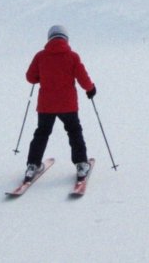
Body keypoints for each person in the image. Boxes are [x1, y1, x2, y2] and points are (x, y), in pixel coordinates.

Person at [24, 25, 96, 183]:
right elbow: (82, 77)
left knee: (41, 133)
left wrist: (40, 77)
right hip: (67, 105)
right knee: (74, 131)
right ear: (65, 38)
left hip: (46, 105)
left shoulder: (40, 56)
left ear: (49, 38)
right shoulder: (72, 56)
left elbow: (30, 77)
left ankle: (32, 166)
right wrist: (90, 89)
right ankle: (81, 164)